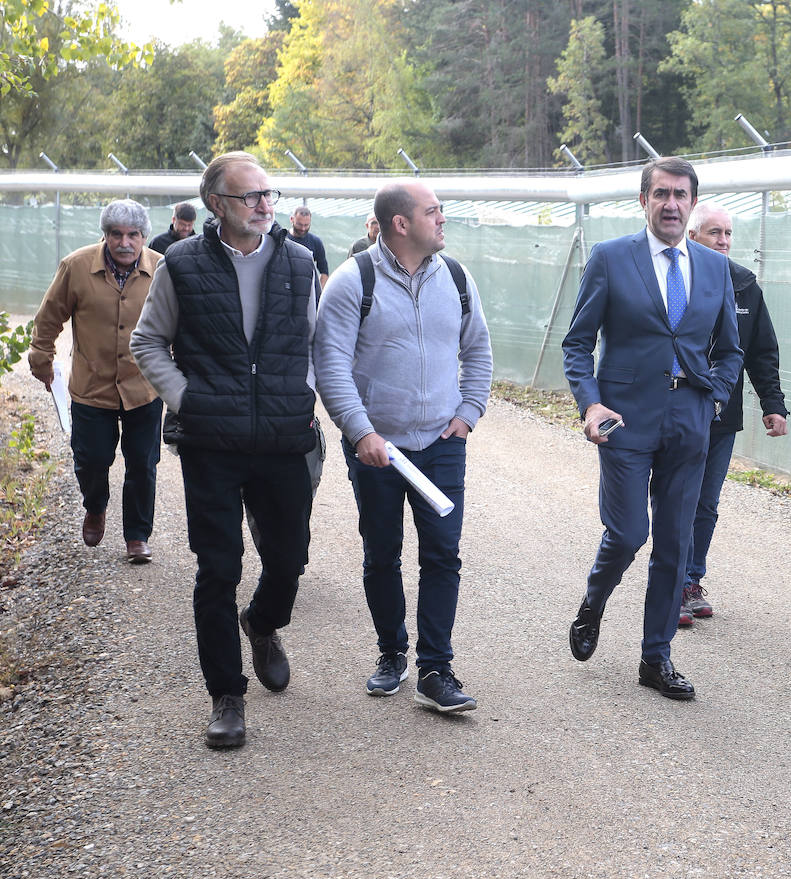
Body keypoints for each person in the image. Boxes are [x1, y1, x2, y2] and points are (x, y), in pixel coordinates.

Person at [130, 151, 322, 750]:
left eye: (269, 194)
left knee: (289, 557)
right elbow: (148, 342)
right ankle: (227, 695)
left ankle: (262, 623)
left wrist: (304, 394)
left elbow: (317, 343)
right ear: (217, 204)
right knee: (218, 567)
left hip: (283, 441)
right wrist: (189, 402)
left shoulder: (297, 261)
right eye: (251, 197)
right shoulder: (181, 265)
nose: (267, 206)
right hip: (212, 443)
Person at [561, 156, 743, 701]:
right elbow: (577, 343)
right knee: (629, 534)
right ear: (644, 201)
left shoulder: (714, 268)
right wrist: (591, 406)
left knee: (674, 542)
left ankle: (655, 657)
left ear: (691, 204)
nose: (670, 204)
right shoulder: (612, 259)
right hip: (624, 420)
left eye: (680, 195)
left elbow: (731, 350)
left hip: (689, 423)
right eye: (660, 194)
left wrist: (713, 397)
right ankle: (594, 601)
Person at [314, 181, 493, 715]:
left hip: (441, 444)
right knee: (382, 551)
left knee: (443, 553)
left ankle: (436, 668)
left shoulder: (456, 277)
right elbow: (331, 365)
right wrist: (361, 432)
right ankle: (392, 652)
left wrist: (467, 415)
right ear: (401, 223)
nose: (442, 220)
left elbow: (478, 348)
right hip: (377, 451)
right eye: (433, 212)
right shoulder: (352, 282)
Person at [29, 199, 164, 563]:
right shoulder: (75, 266)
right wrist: (41, 358)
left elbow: (180, 323)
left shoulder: (162, 270)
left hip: (144, 387)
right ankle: (95, 504)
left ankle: (137, 536)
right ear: (105, 235)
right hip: (92, 387)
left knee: (142, 463)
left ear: (143, 236)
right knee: (91, 459)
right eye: (116, 234)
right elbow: (49, 318)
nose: (125, 242)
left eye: (133, 235)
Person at [677, 203, 788, 625]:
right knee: (677, 497)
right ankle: (671, 581)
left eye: (728, 234)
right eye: (713, 233)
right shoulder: (674, 282)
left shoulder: (745, 286)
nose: (723, 241)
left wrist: (773, 405)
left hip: (722, 413)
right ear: (691, 237)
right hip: (675, 410)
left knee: (706, 502)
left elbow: (761, 352)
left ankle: (690, 579)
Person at [289, 204, 330, 284]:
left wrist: (319, 294)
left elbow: (324, 272)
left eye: (306, 225)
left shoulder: (315, 242)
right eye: (299, 224)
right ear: (292, 219)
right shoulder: (283, 240)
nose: (303, 228)